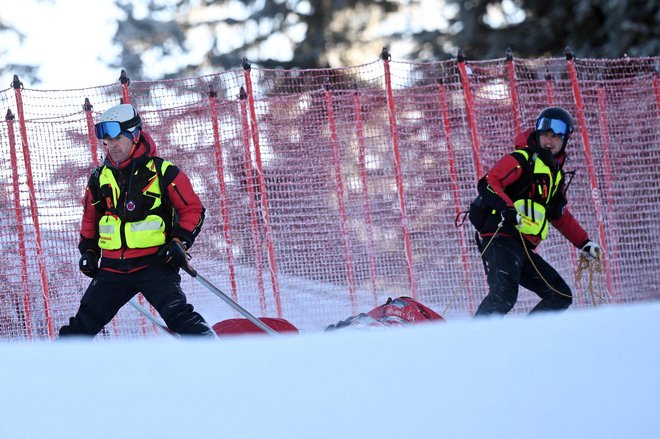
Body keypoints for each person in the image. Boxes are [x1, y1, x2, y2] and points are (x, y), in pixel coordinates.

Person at [59, 103, 214, 336]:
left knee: (180, 318)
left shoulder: (162, 171)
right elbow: (91, 218)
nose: (112, 145)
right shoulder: (100, 177)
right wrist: (89, 251)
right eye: (107, 141)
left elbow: (193, 209)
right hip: (112, 269)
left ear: (134, 135)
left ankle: (220, 361)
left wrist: (179, 241)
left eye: (118, 138)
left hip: (154, 265)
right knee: (81, 326)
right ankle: (54, 371)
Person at [472, 107, 602, 316]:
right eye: (545, 135)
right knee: (504, 295)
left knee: (560, 295)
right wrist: (507, 209)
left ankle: (527, 341)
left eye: (555, 137)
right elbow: (488, 182)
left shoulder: (555, 175)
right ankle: (472, 343)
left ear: (565, 140)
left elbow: (558, 214)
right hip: (501, 239)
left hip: (523, 247)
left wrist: (584, 242)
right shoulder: (522, 159)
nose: (548, 142)